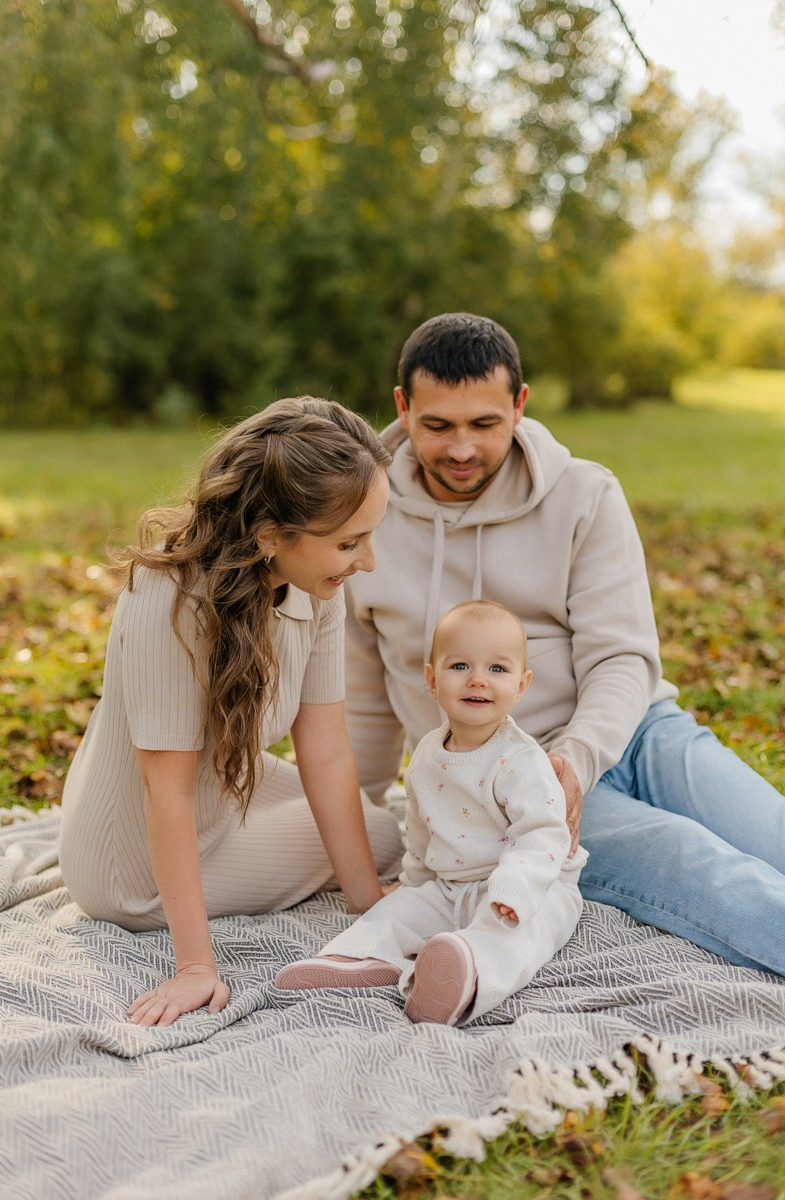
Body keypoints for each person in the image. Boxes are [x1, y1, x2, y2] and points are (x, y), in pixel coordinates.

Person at [341, 312, 785, 977]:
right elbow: (367, 701)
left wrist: (578, 758)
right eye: (438, 426)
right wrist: (361, 822)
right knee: (698, 865)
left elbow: (622, 657)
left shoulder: (585, 494)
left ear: (519, 406)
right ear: (403, 409)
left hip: (637, 735)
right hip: (514, 785)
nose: (462, 448)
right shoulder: (365, 517)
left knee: (769, 832)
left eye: (484, 425)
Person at [59, 396, 404, 1027]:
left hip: (227, 786)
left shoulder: (313, 586)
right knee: (385, 841)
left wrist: (367, 903)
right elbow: (166, 791)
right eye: (351, 541)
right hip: (130, 861)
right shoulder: (166, 598)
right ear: (271, 536)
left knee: (383, 838)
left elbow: (325, 751)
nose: (368, 561)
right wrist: (195, 967)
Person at [274, 600, 588, 1025]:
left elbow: (544, 835)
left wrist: (515, 888)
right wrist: (414, 883)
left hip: (532, 888)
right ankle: (361, 957)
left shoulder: (521, 759)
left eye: (498, 669)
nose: (478, 679)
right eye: (460, 665)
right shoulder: (426, 755)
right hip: (451, 884)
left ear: (521, 685)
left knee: (512, 938)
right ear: (431, 679)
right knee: (395, 912)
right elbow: (423, 830)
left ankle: (466, 974)